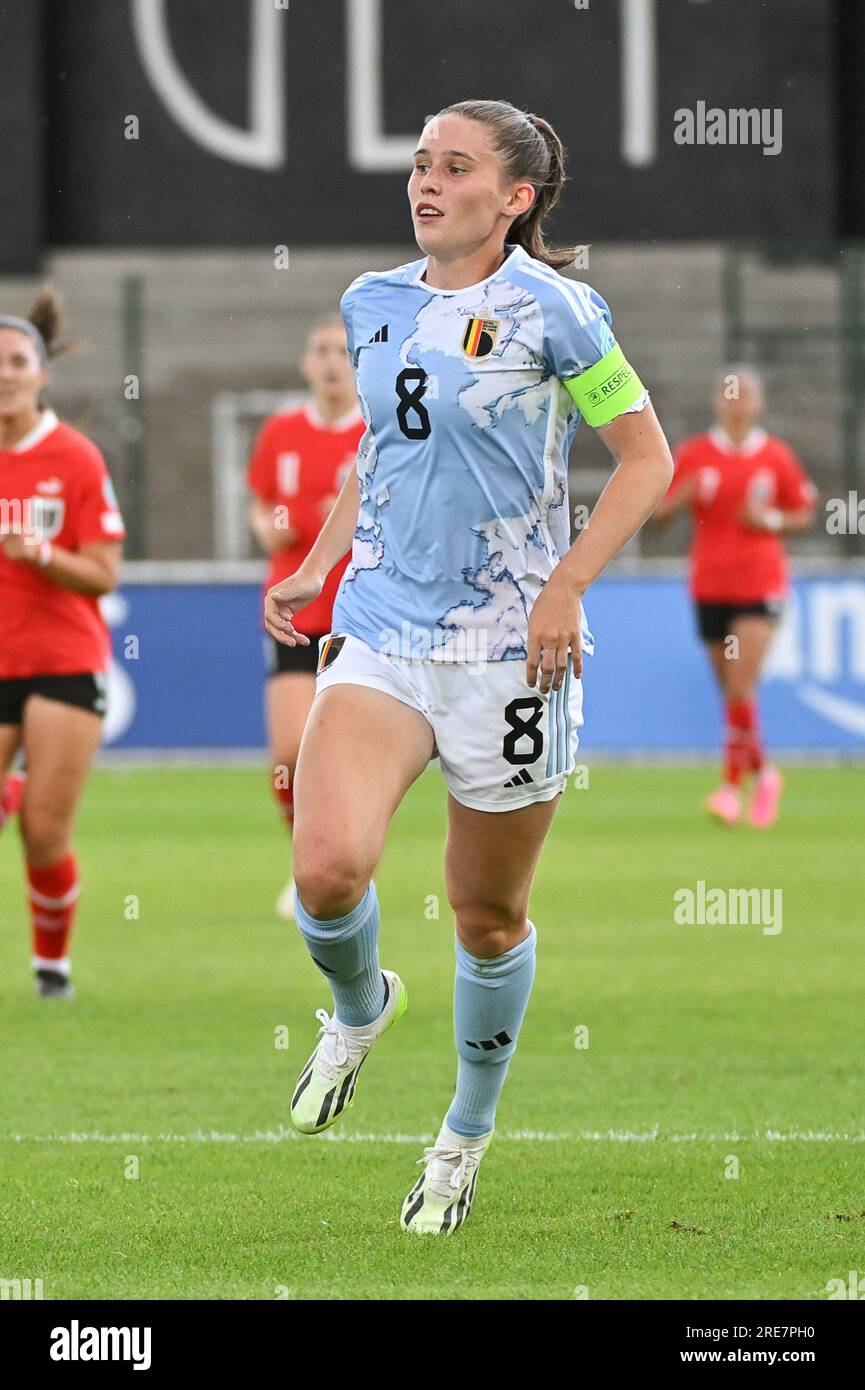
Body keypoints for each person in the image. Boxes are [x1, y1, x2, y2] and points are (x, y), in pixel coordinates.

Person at [264, 99, 673, 1234]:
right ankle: (357, 1009)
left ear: (517, 197)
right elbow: (379, 449)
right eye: (419, 163)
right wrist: (317, 562)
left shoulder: (558, 312)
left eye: (455, 167)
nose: (425, 182)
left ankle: (461, 1137)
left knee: (486, 917)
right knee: (328, 870)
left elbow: (645, 462)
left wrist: (566, 584)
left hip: (509, 655)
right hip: (387, 630)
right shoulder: (371, 302)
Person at [0, 290, 125, 997]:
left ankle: (52, 969)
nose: (4, 374)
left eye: (17, 362)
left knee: (44, 835)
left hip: (62, 664)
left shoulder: (73, 458)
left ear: (42, 371)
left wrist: (41, 553)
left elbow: (103, 572)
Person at [655, 367, 815, 826]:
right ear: (717, 402)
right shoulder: (694, 454)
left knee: (741, 685)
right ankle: (765, 774)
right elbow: (659, 516)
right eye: (730, 395)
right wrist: (681, 497)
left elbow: (803, 512)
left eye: (745, 396)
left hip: (760, 585)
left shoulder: (775, 456)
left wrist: (769, 522)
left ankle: (729, 788)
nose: (737, 403)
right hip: (709, 585)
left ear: (758, 404)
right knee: (731, 692)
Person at [247, 318, 362, 918]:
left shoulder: (376, 434)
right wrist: (272, 527)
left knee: (345, 757)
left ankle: (349, 864)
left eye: (343, 352)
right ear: (305, 363)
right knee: (289, 754)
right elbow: (261, 511)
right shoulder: (281, 431)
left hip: (357, 616)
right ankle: (306, 862)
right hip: (294, 611)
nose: (332, 362)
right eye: (321, 350)